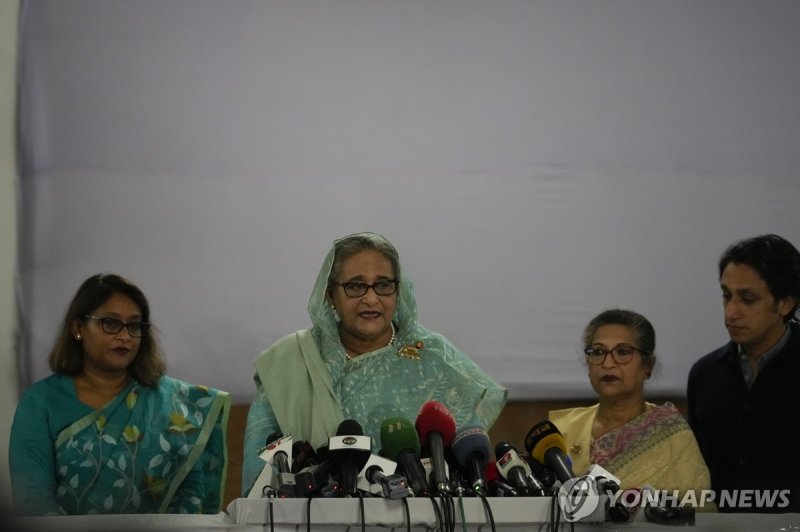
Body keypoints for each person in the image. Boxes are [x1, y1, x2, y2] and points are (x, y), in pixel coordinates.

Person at [242, 232, 507, 494]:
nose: (371, 298)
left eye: (383, 285)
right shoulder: (290, 361)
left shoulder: (435, 360)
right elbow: (261, 470)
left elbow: (468, 457)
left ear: (398, 291)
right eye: (355, 286)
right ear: (330, 295)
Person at [9, 274, 231, 516]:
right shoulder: (41, 402)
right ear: (78, 328)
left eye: (135, 326)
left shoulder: (174, 405)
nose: (124, 336)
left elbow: (189, 491)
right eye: (110, 323)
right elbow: (33, 500)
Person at [687, 234, 800, 513]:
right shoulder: (705, 374)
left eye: (747, 299)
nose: (731, 313)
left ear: (785, 304)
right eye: (727, 296)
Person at [549, 309, 710, 502]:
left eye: (623, 352)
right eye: (598, 352)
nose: (608, 363)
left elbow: (698, 511)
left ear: (647, 365)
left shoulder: (673, 437)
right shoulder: (561, 430)